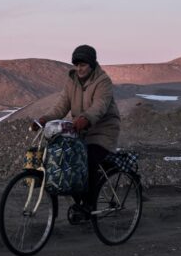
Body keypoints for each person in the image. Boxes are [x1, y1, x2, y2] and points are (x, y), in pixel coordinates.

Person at [36, 45, 121, 213]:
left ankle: (89, 204)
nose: (79, 69)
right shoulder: (72, 81)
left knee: (87, 162)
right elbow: (61, 107)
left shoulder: (103, 81)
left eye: (83, 65)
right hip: (81, 130)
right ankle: (79, 201)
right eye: (77, 65)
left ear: (91, 64)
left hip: (103, 131)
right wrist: (44, 119)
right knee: (67, 161)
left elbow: (100, 105)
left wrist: (86, 118)